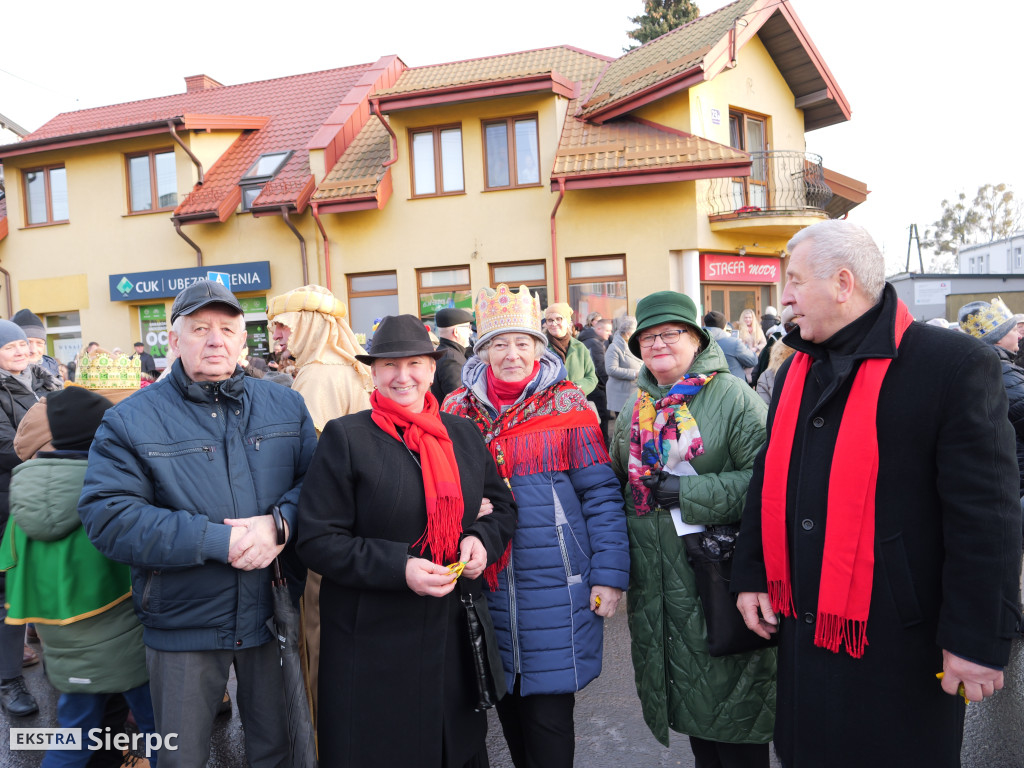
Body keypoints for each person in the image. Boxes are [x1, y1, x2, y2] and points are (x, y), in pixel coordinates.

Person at [733, 220, 1022, 768]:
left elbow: (988, 519)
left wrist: (977, 640)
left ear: (843, 283)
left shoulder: (953, 365)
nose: (785, 298)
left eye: (793, 281)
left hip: (899, 643)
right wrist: (751, 573)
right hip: (804, 630)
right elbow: (769, 478)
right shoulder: (796, 368)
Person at [79, 279, 318, 768]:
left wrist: (279, 526)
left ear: (242, 338)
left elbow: (316, 488)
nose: (216, 341)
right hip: (183, 619)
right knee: (181, 755)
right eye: (201, 329)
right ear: (174, 339)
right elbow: (109, 517)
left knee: (279, 751)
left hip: (270, 612)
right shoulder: (130, 421)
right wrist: (219, 540)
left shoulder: (285, 405)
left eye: (228, 329)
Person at [295, 314, 516, 768]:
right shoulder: (347, 437)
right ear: (372, 373)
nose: (403, 376)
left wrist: (480, 539)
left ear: (432, 369)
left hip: (454, 632)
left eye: (414, 363)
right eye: (390, 365)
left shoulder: (464, 434)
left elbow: (502, 507)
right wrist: (400, 567)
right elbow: (317, 539)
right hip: (374, 642)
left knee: (455, 750)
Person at [444, 284, 629, 768]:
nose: (511, 354)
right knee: (507, 714)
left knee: (549, 725)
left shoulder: (569, 407)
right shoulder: (454, 412)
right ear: (482, 350)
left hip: (557, 589)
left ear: (539, 347)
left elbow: (601, 494)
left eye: (522, 343)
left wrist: (610, 575)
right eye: (499, 343)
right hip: (484, 586)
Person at [606, 291, 774, 766]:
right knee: (696, 709)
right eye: (648, 336)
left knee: (736, 710)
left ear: (696, 339)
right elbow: (618, 479)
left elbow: (770, 481)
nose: (658, 344)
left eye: (671, 334)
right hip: (658, 583)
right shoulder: (638, 405)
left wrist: (689, 494)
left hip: (717, 576)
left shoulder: (733, 396)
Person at [0, 385, 158, 768]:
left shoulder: (24, 498)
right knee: (162, 730)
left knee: (74, 737)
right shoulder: (105, 492)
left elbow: (11, 564)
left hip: (64, 646)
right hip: (126, 643)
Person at [266, 283, 373, 724]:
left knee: (317, 630)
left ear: (308, 325)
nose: (277, 337)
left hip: (325, 521)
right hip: (356, 514)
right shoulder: (337, 366)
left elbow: (309, 460)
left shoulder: (318, 374)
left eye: (284, 327)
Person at [0, 319, 60, 716]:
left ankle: (67, 674)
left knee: (54, 585)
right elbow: (6, 445)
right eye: (11, 347)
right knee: (10, 597)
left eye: (23, 344)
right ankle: (9, 681)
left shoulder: (47, 379)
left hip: (54, 492)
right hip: (10, 501)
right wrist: (61, 447)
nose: (21, 351)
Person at [958, 298, 1024, 495]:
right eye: (1013, 331)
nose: (1019, 336)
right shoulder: (1004, 373)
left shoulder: (981, 368)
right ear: (998, 339)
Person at [543, 302, 597, 395]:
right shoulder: (540, 347)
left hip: (575, 403)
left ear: (567, 322)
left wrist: (576, 388)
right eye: (550, 320)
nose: (554, 323)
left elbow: (592, 378)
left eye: (558, 319)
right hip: (547, 403)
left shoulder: (580, 347)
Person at [431, 307, 474, 404]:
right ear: (456, 332)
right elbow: (459, 402)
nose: (470, 332)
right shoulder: (451, 360)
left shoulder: (445, 353)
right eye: (468, 327)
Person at [604, 315, 641, 422]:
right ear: (628, 333)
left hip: (634, 393)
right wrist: (635, 373)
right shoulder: (614, 347)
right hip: (621, 395)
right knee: (625, 426)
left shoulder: (633, 345)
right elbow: (611, 369)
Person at [702, 311, 758, 381]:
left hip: (703, 387)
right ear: (724, 326)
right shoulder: (734, 343)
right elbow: (753, 361)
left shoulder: (695, 341)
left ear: (705, 324)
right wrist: (745, 346)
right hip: (733, 387)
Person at [12, 309, 61, 379]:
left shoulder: (51, 366)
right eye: (27, 343)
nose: (34, 350)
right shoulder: (5, 374)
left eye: (39, 343)